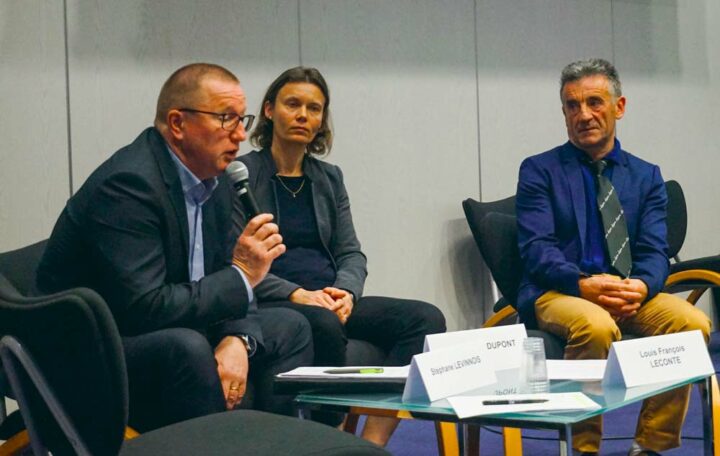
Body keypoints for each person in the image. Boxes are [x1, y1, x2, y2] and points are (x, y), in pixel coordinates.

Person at [36, 63, 313, 431]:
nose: (240, 136)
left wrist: (237, 338)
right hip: (90, 351)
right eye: (225, 119)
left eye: (241, 120)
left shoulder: (215, 181)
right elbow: (145, 307)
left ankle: (277, 445)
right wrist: (242, 274)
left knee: (292, 326)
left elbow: (223, 281)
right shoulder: (129, 186)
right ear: (178, 124)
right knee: (187, 347)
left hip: (165, 328)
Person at [234, 66, 446, 446]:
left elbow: (351, 252)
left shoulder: (328, 177)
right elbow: (237, 261)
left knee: (425, 318)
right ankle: (328, 439)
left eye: (314, 109)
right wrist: (297, 294)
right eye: (293, 104)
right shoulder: (243, 174)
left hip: (331, 298)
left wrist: (345, 292)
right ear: (269, 111)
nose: (303, 115)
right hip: (278, 301)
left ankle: (370, 444)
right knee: (324, 324)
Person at [515, 58, 711, 456]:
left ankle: (650, 446)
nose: (583, 115)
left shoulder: (646, 175)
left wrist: (641, 285)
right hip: (560, 290)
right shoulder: (539, 171)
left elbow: (655, 251)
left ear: (619, 107)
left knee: (692, 323)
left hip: (626, 291)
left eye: (594, 102)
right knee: (596, 325)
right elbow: (537, 250)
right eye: (572, 105)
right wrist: (582, 284)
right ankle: (583, 448)